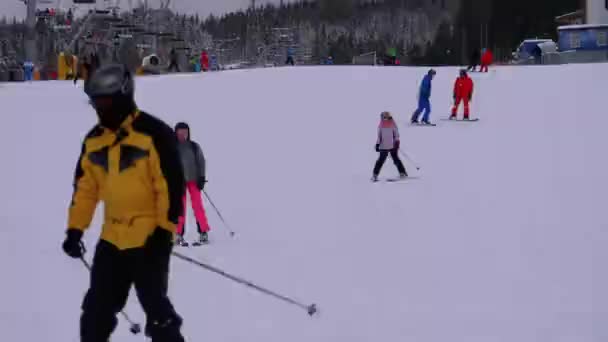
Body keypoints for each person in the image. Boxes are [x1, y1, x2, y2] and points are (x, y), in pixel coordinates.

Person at [61, 63, 187, 342]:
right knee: (95, 312)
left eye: (107, 103)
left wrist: (164, 231)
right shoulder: (95, 141)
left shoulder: (152, 133)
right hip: (112, 239)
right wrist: (75, 230)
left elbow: (170, 186)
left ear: (123, 98)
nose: (101, 110)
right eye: (97, 104)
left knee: (157, 310)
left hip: (149, 237)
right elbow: (86, 189)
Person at [174, 122, 211, 246]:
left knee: (197, 206)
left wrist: (201, 177)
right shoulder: (172, 147)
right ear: (176, 133)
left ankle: (203, 232)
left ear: (188, 133)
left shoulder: (194, 147)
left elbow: (201, 162)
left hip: (193, 180)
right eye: (180, 133)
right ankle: (178, 234)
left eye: (185, 133)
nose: (182, 135)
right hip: (179, 182)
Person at [372, 111, 407, 181]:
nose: (385, 118)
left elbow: (396, 134)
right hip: (383, 146)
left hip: (392, 145)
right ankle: (375, 174)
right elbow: (379, 137)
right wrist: (377, 144)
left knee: (396, 159)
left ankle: (402, 172)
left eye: (386, 117)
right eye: (383, 117)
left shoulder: (392, 124)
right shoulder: (380, 125)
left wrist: (397, 142)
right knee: (381, 160)